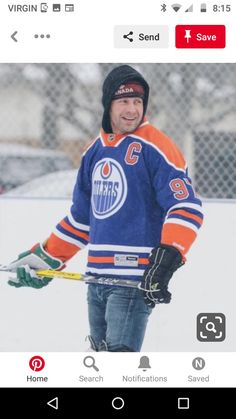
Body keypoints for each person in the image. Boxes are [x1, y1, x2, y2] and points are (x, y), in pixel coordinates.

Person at [7, 65, 204, 352]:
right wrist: (46, 258)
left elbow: (186, 207)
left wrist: (168, 255)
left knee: (118, 366)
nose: (132, 109)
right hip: (95, 280)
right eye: (124, 101)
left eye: (138, 102)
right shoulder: (93, 151)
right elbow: (82, 220)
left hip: (133, 282)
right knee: (98, 363)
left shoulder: (158, 148)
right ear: (108, 104)